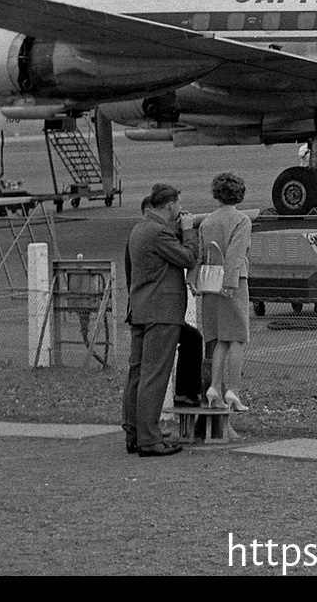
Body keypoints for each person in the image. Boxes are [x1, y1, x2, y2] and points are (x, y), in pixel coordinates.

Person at [122, 183, 200, 457]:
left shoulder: (140, 228)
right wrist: (189, 230)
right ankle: (150, 439)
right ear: (170, 205)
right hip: (161, 311)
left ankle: (134, 432)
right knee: (155, 376)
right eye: (178, 204)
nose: (181, 209)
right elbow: (188, 258)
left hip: (142, 308)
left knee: (138, 373)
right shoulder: (158, 232)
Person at [197, 172, 253, 420]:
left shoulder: (207, 222)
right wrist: (230, 283)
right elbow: (236, 254)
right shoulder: (241, 220)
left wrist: (195, 281)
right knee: (238, 338)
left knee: (219, 338)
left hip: (210, 284)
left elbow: (201, 255)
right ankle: (234, 391)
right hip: (233, 283)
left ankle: (214, 388)